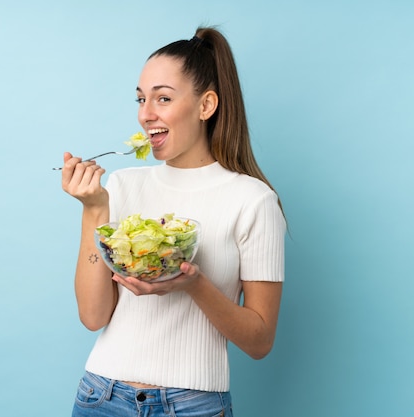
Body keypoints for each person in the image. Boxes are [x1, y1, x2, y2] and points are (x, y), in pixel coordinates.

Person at [61, 26, 286, 417]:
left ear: (206, 105)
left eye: (163, 98)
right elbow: (93, 316)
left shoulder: (253, 200)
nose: (146, 114)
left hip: (193, 406)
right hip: (101, 396)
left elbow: (260, 340)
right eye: (140, 99)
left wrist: (194, 284)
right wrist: (94, 209)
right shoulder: (122, 185)